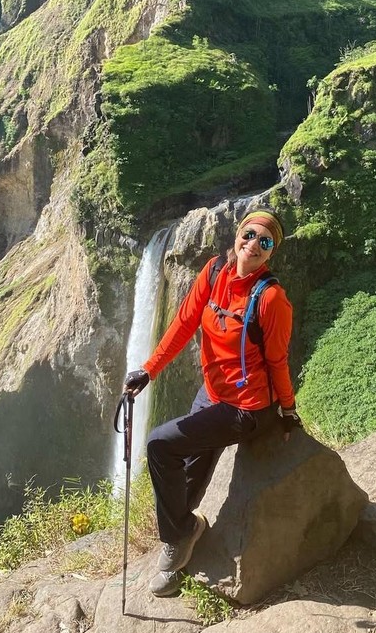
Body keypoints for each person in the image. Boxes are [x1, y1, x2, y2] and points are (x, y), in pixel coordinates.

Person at [124, 208, 301, 597]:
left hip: (246, 409)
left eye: (265, 242)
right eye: (250, 234)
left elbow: (277, 360)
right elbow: (185, 322)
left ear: (271, 253)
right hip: (212, 392)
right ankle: (185, 532)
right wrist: (148, 370)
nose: (253, 244)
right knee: (185, 481)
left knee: (159, 443)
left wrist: (287, 410)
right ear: (238, 234)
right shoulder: (214, 271)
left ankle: (179, 536)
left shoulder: (272, 300)